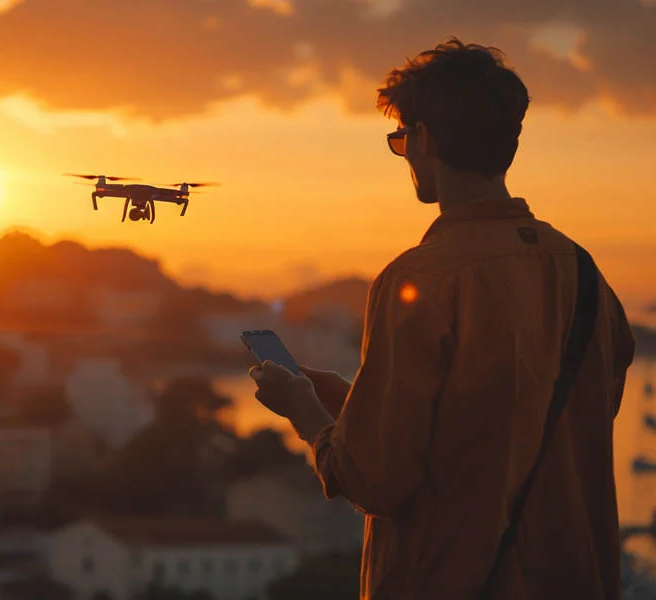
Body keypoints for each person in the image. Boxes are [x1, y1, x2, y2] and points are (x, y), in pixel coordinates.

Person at [249, 37, 637, 599]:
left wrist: (304, 410)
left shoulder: (422, 280)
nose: (403, 151)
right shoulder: (582, 273)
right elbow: (547, 421)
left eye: (401, 137)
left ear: (424, 138)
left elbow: (371, 479)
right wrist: (356, 402)